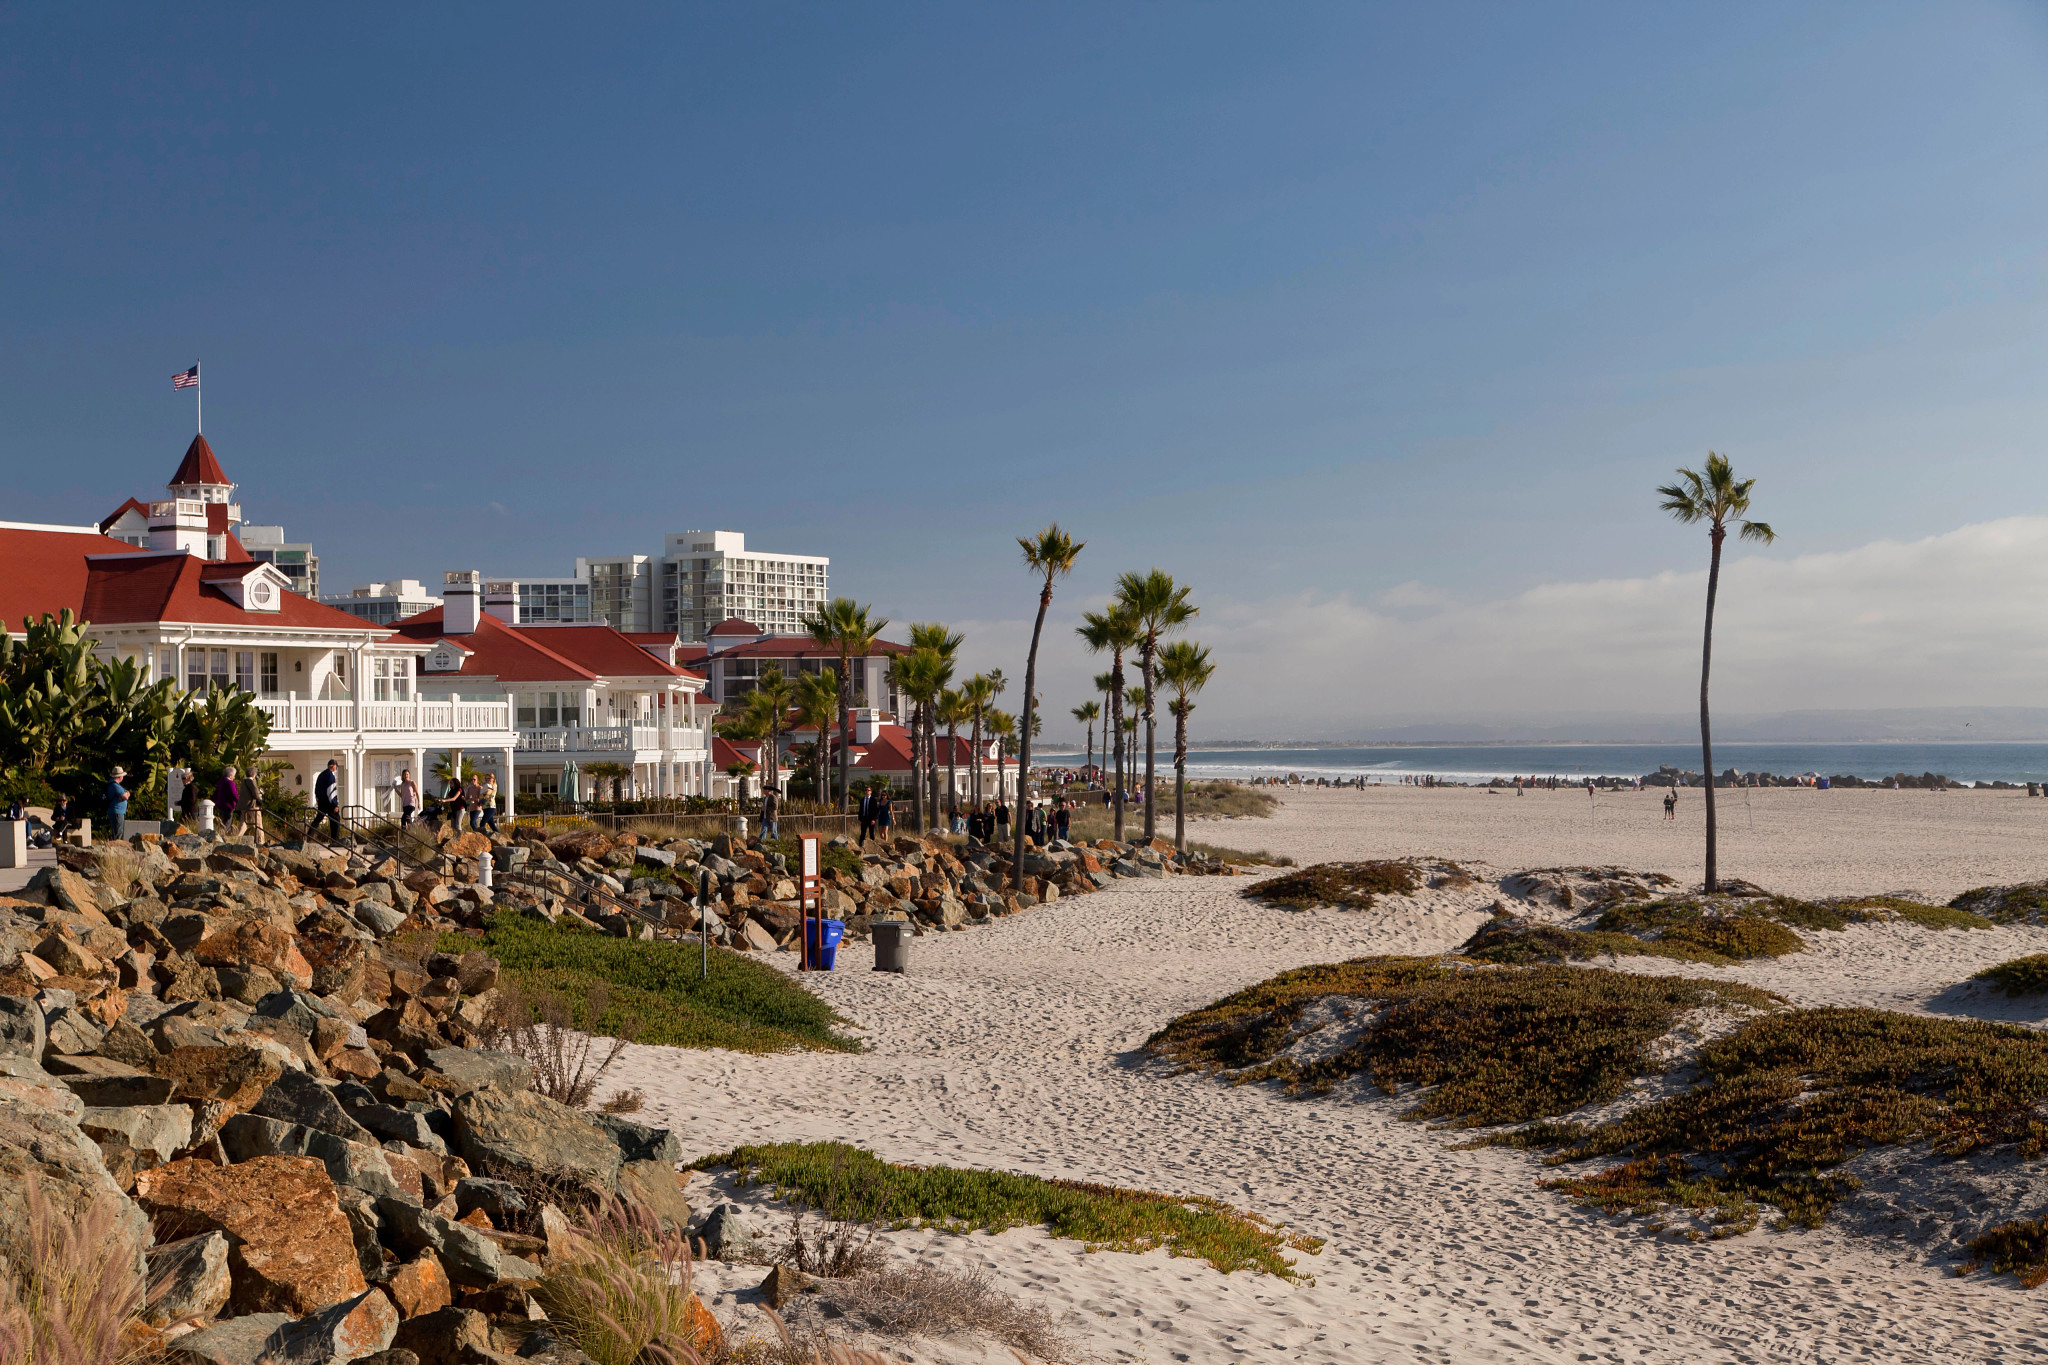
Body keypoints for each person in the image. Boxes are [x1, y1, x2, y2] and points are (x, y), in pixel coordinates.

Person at [312, 759, 341, 841]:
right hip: (329, 803)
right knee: (336, 819)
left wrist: (318, 800)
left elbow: (317, 790)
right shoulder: (330, 776)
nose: (336, 768)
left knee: (318, 819)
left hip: (321, 802)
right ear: (333, 766)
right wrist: (335, 804)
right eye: (336, 766)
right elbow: (331, 792)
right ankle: (335, 839)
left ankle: (308, 836)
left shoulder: (321, 775)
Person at [215, 765, 243, 837]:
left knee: (222, 823)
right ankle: (223, 837)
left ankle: (221, 836)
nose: (234, 777)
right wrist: (239, 803)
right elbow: (233, 794)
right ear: (231, 775)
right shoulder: (230, 783)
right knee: (227, 824)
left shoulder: (221, 782)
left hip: (220, 805)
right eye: (233, 775)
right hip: (228, 806)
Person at [105, 766, 129, 842]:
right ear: (119, 776)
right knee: (118, 832)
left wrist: (126, 793)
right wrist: (126, 794)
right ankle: (116, 847)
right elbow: (125, 796)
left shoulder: (115, 785)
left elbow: (127, 793)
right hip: (117, 812)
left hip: (117, 811)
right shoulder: (115, 785)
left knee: (117, 831)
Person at [243, 770, 266, 845]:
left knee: (243, 824)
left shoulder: (244, 782)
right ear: (253, 774)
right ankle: (260, 841)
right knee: (258, 824)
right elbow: (255, 793)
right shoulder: (252, 782)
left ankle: (237, 837)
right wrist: (260, 800)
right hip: (253, 806)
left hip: (245, 806)